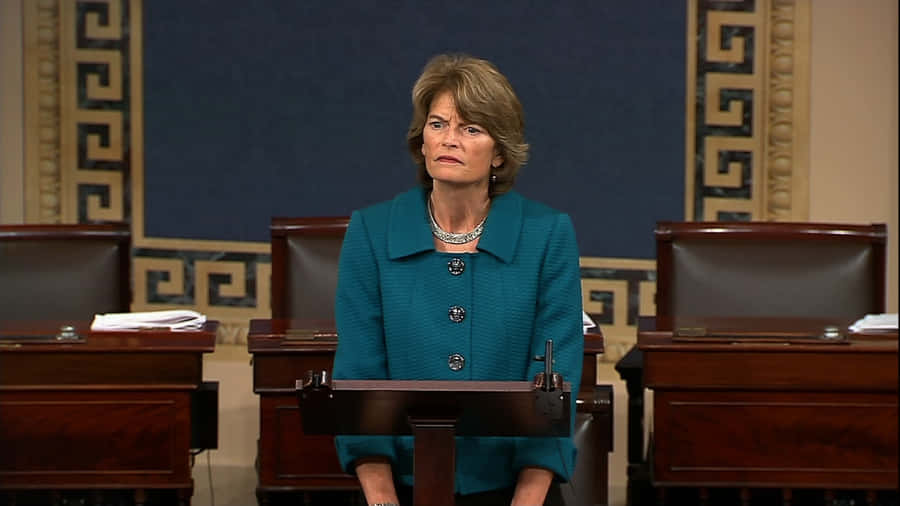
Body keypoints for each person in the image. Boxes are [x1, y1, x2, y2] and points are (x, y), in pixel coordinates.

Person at [332, 53, 583, 506]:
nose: (450, 140)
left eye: (471, 129)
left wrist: (526, 500)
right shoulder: (371, 232)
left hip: (516, 489)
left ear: (500, 152)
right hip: (397, 489)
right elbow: (359, 376)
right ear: (421, 140)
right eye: (438, 124)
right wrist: (382, 497)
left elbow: (556, 383)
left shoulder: (547, 235)